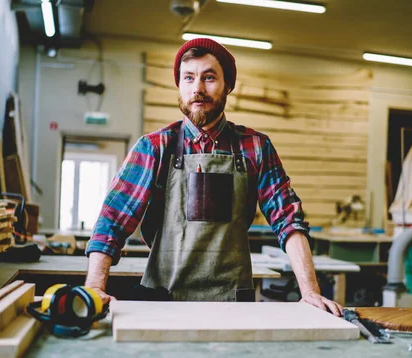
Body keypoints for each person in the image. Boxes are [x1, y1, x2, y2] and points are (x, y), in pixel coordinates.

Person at [83, 38, 342, 316]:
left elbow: (288, 220)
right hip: (161, 301)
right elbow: (113, 219)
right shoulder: (155, 147)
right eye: (189, 78)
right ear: (179, 86)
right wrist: (94, 287)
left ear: (227, 85)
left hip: (233, 303)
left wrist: (310, 291)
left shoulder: (255, 147)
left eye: (209, 77)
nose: (198, 89)